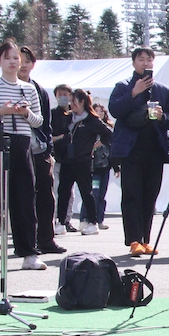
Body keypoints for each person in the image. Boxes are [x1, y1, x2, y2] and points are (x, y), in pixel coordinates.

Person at [0, 39, 47, 271]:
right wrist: (0, 112)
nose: (13, 62)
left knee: (24, 197)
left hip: (22, 142)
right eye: (8, 58)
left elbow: (38, 121)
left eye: (16, 58)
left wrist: (25, 113)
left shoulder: (30, 89)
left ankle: (28, 252)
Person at [109, 47, 169, 257]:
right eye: (141, 60)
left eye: (149, 60)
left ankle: (145, 240)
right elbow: (115, 110)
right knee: (132, 195)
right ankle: (133, 240)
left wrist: (162, 117)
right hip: (131, 151)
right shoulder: (123, 87)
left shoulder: (163, 91)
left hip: (155, 151)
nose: (146, 63)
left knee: (150, 196)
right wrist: (133, 93)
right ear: (133, 63)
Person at [18, 47, 65, 254]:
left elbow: (46, 124)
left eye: (27, 61)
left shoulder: (39, 90)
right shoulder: (4, 88)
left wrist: (49, 150)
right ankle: (25, 243)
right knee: (22, 198)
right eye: (19, 60)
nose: (22, 64)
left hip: (39, 149)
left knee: (46, 196)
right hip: (17, 150)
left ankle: (46, 239)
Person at [57, 89, 109, 237]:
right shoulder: (67, 118)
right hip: (67, 159)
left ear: (82, 102)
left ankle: (92, 222)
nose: (71, 104)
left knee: (86, 191)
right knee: (63, 191)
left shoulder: (92, 120)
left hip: (83, 161)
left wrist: (93, 146)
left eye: (73, 101)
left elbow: (108, 134)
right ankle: (61, 222)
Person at [50, 83, 77, 235]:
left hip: (70, 157)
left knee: (69, 192)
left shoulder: (74, 114)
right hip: (56, 155)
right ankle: (53, 219)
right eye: (60, 94)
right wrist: (60, 138)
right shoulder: (53, 114)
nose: (63, 97)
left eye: (66, 94)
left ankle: (66, 219)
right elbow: (48, 136)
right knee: (54, 189)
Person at [90, 103, 113, 230]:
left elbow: (112, 148)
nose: (99, 114)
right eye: (96, 111)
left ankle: (100, 219)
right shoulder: (91, 127)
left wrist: (115, 166)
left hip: (105, 167)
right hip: (93, 167)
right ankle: (87, 219)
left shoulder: (108, 128)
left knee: (102, 195)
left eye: (101, 111)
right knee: (94, 193)